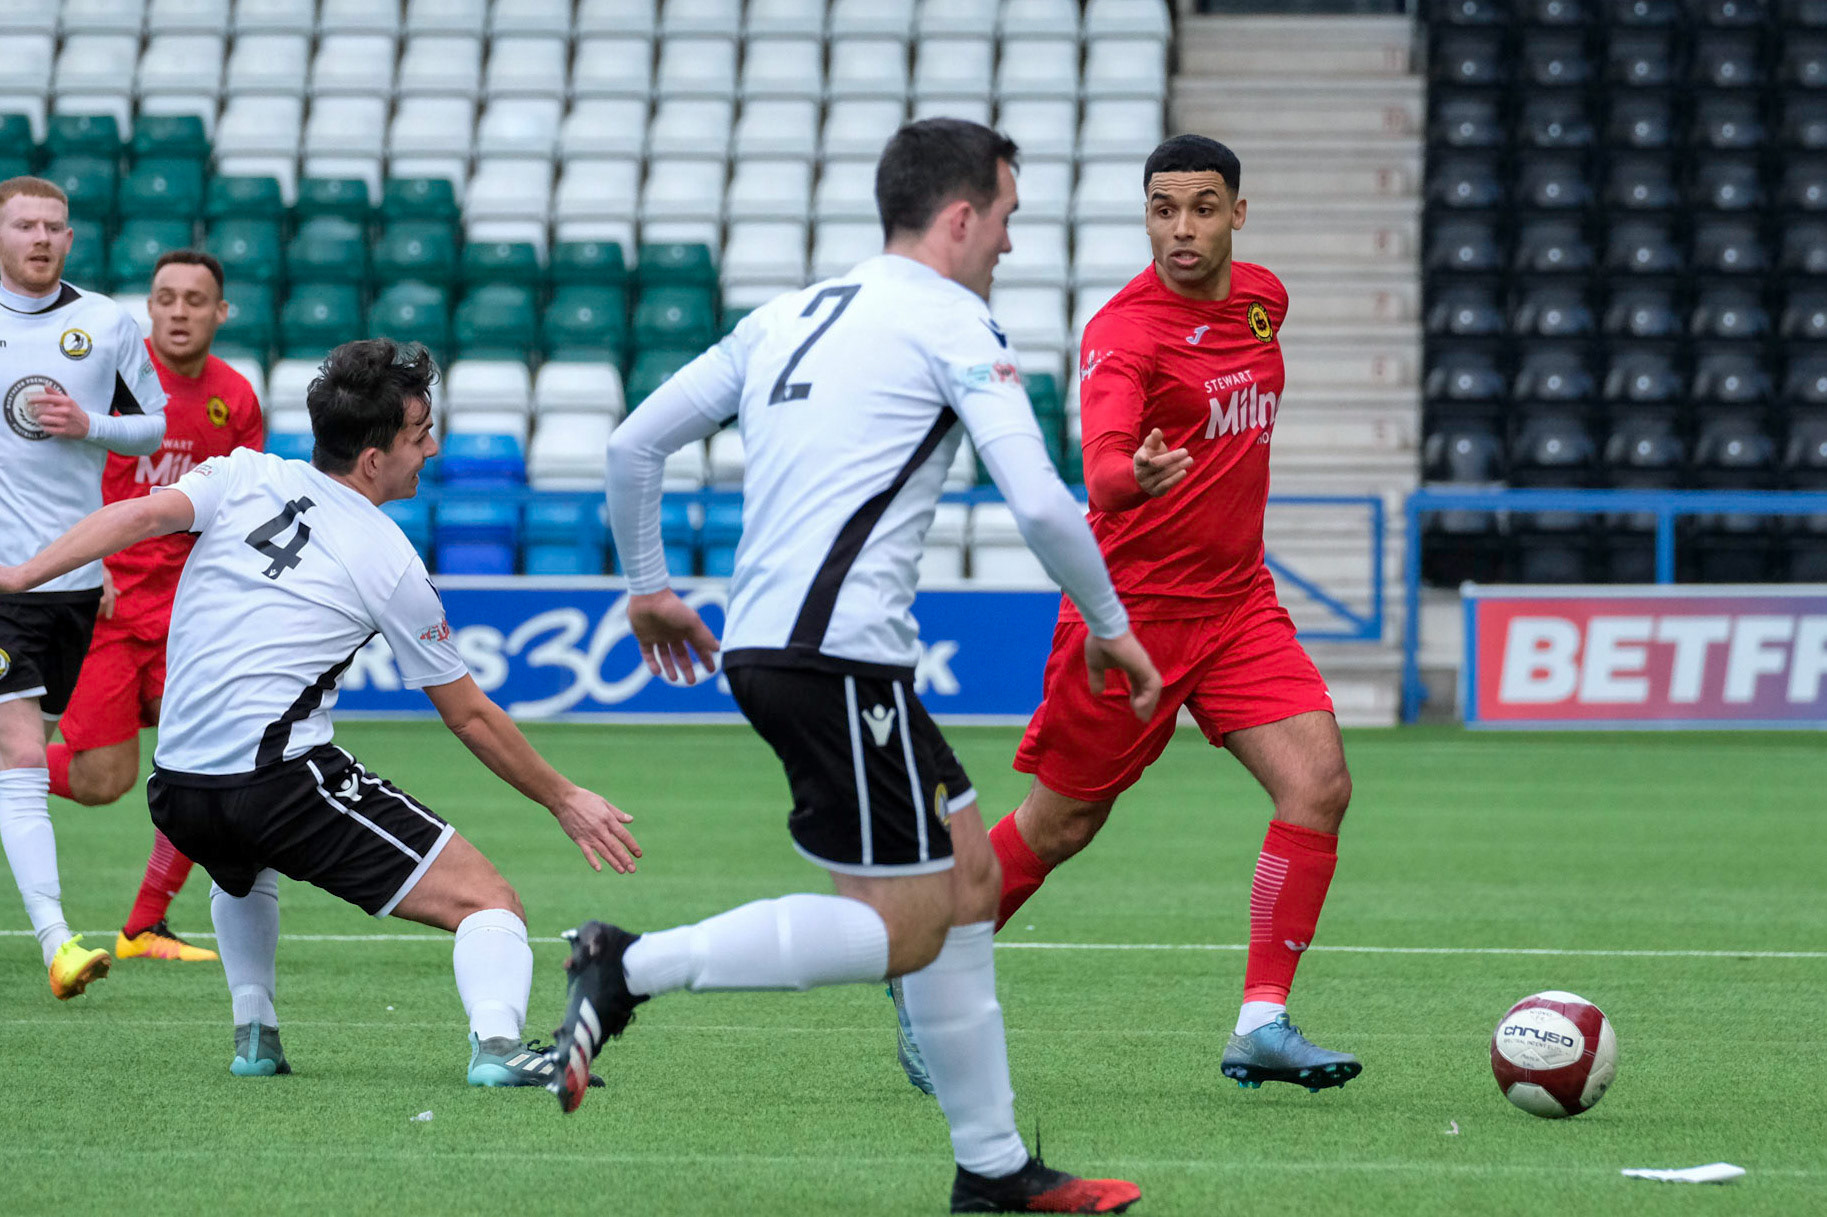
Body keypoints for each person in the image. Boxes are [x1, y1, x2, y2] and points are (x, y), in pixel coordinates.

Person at [547, 119, 1158, 1215]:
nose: (1010, 246)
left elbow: (632, 442)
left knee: (969, 879)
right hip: (836, 661)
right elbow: (1036, 499)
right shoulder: (954, 320)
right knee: (907, 927)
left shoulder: (787, 313)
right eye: (1008, 219)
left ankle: (993, 1166)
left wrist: (648, 581)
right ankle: (625, 964)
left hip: (798, 650)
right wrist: (1112, 622)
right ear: (962, 216)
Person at [0, 338, 640, 1088]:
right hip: (276, 782)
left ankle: (256, 1035)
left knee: (240, 871)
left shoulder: (242, 473)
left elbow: (138, 516)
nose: (431, 448)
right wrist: (565, 798)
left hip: (175, 791)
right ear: (372, 459)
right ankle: (498, 1048)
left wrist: (17, 575)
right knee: (488, 900)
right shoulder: (389, 558)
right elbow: (468, 715)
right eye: (418, 434)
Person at [896, 134, 1362, 1096]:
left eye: (1200, 207)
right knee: (1060, 824)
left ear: (1238, 212)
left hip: (1236, 605)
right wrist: (1132, 476)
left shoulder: (1265, 302)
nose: (1180, 228)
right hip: (1130, 619)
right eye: (1161, 208)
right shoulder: (1123, 332)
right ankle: (928, 969)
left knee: (1317, 784)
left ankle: (1261, 1020)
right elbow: (1100, 469)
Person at [45, 250, 264, 965]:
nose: (178, 311)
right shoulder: (111, 384)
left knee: (210, 766)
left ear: (219, 313)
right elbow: (49, 477)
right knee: (100, 781)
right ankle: (17, 760)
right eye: (165, 297)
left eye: (195, 300)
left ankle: (143, 927)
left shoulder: (237, 397)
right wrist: (85, 561)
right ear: (149, 308)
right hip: (108, 609)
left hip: (191, 620)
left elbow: (248, 506)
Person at [0, 175, 168, 999]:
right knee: (23, 752)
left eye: (53, 226)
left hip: (69, 576)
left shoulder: (105, 322)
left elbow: (154, 425)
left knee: (82, 767)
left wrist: (89, 423)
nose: (40, 237)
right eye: (24, 224)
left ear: (70, 239)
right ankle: (59, 942)